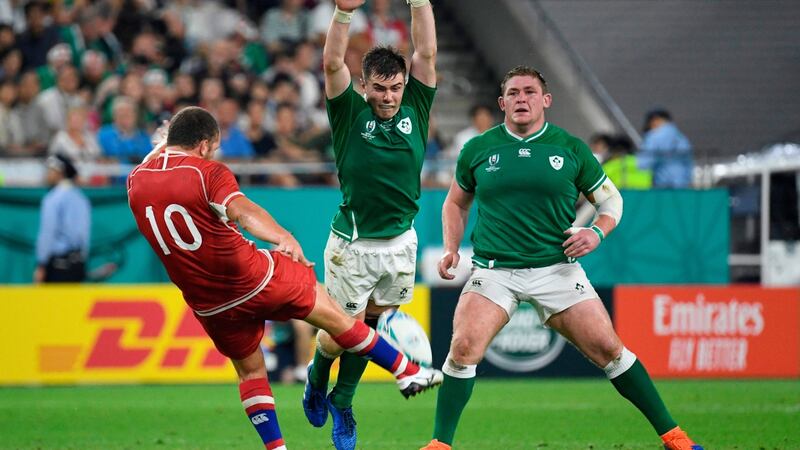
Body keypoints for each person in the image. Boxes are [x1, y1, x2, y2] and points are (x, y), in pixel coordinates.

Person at [127, 106, 442, 450]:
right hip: (251, 275)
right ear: (204, 145)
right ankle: (406, 370)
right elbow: (243, 212)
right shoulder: (208, 172)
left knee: (250, 373)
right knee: (337, 317)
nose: (214, 153)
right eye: (214, 148)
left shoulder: (136, 180)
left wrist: (162, 142)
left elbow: (162, 161)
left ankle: (277, 448)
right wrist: (282, 236)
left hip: (209, 304)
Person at [421, 66, 702, 450]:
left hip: (557, 269)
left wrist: (596, 232)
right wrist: (452, 247)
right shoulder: (478, 148)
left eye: (530, 92)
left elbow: (611, 201)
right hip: (494, 271)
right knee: (463, 347)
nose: (522, 99)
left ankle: (674, 437)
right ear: (502, 103)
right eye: (514, 93)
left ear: (545, 100)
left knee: (609, 349)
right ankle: (440, 444)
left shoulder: (569, 148)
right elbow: (455, 202)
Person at [302, 0, 437, 449]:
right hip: (353, 246)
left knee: (371, 325)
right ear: (364, 85)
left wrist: (420, 2)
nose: (388, 96)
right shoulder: (349, 112)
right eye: (379, 88)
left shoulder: (415, 108)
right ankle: (318, 376)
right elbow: (331, 61)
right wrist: (343, 13)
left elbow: (427, 54)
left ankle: (344, 398)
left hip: (401, 243)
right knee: (344, 335)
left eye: (395, 88)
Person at [34, 154, 91, 283]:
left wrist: (41, 264)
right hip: (78, 265)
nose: (47, 174)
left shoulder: (52, 198)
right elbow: (84, 235)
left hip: (57, 267)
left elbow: (48, 232)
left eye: (50, 170)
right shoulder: (81, 198)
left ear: (59, 173)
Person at [637, 108, 693, 188]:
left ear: (655, 120)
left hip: (662, 186)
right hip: (682, 185)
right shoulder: (682, 138)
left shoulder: (653, 136)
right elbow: (689, 164)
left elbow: (643, 163)